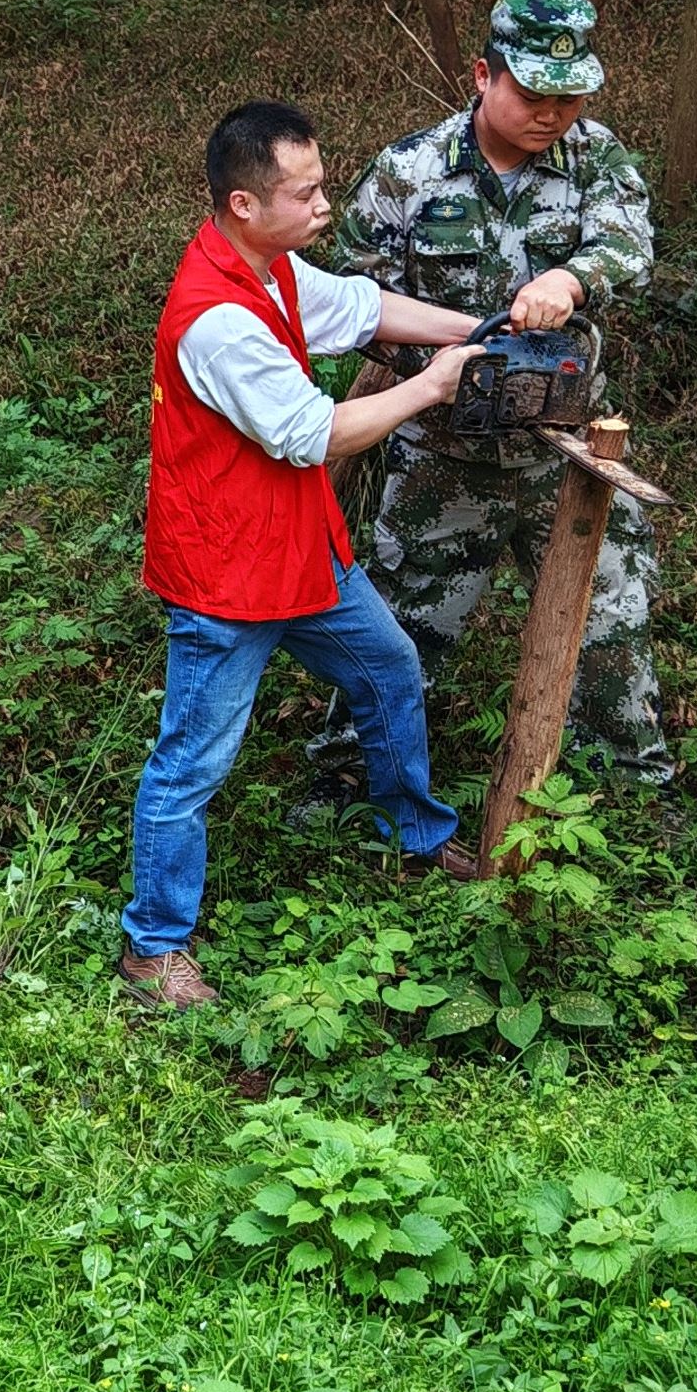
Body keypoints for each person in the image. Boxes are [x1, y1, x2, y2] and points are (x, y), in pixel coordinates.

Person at [123, 101, 486, 1010]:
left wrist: (475, 330)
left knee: (389, 668)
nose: (326, 204)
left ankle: (414, 833)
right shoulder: (216, 319)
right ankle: (153, 947)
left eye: (323, 184)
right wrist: (434, 389)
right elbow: (314, 434)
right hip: (225, 576)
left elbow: (361, 307)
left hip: (298, 551)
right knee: (192, 761)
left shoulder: (272, 268)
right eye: (306, 192)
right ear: (243, 204)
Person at [296, 0, 669, 817]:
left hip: (569, 452)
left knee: (610, 625)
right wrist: (433, 364)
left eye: (568, 97)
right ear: (482, 74)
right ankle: (352, 781)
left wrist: (571, 279)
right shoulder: (411, 170)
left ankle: (636, 793)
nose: (551, 114)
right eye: (532, 93)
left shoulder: (598, 159)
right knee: (401, 630)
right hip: (443, 454)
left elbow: (629, 246)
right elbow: (349, 295)